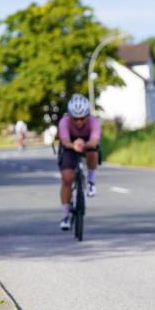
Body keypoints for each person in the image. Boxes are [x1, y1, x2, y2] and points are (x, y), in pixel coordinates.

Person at [57, 93, 101, 230]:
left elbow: (94, 141)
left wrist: (84, 144)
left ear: (88, 115)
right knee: (66, 179)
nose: (79, 122)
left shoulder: (94, 122)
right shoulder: (64, 122)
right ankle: (65, 216)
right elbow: (65, 141)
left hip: (87, 144)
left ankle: (91, 181)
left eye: (82, 118)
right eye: (75, 119)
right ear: (70, 116)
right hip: (69, 146)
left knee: (93, 151)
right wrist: (74, 145)